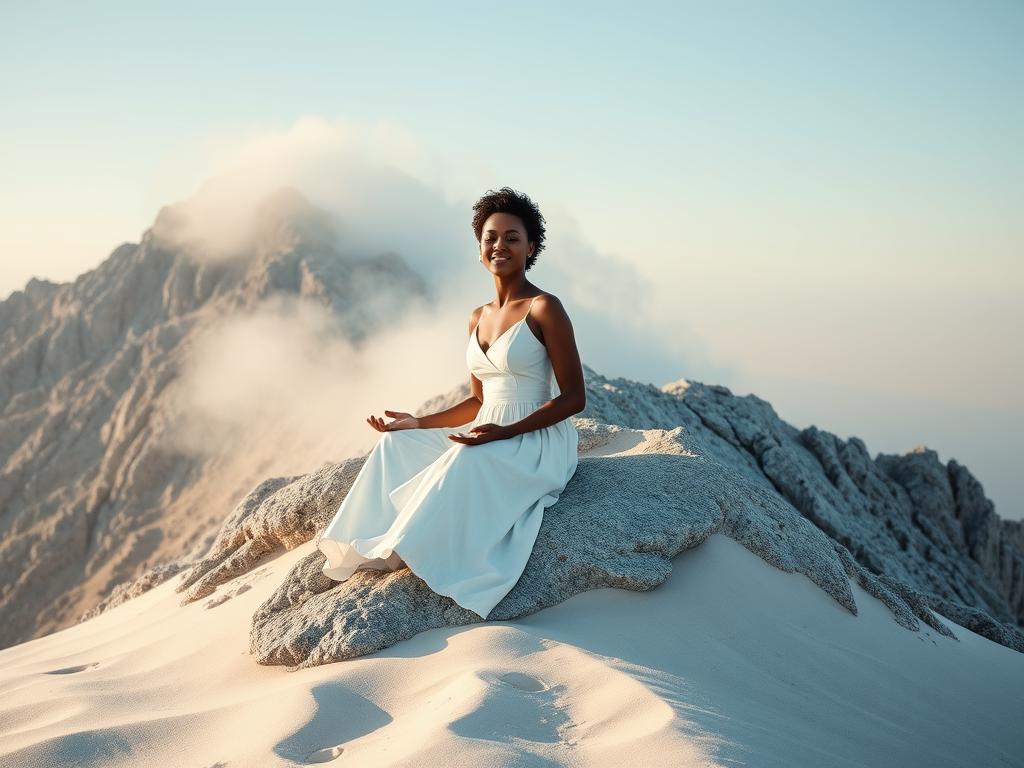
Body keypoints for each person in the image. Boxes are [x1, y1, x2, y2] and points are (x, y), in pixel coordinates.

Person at [316, 186, 585, 620]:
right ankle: (381, 542)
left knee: (465, 458)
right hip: (489, 427)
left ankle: (413, 548)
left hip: (535, 437)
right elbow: (477, 400)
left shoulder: (544, 307)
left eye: (512, 237)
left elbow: (575, 398)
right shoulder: (477, 316)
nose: (500, 246)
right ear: (480, 250)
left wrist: (507, 432)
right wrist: (417, 422)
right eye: (491, 238)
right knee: (396, 446)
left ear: (531, 247)